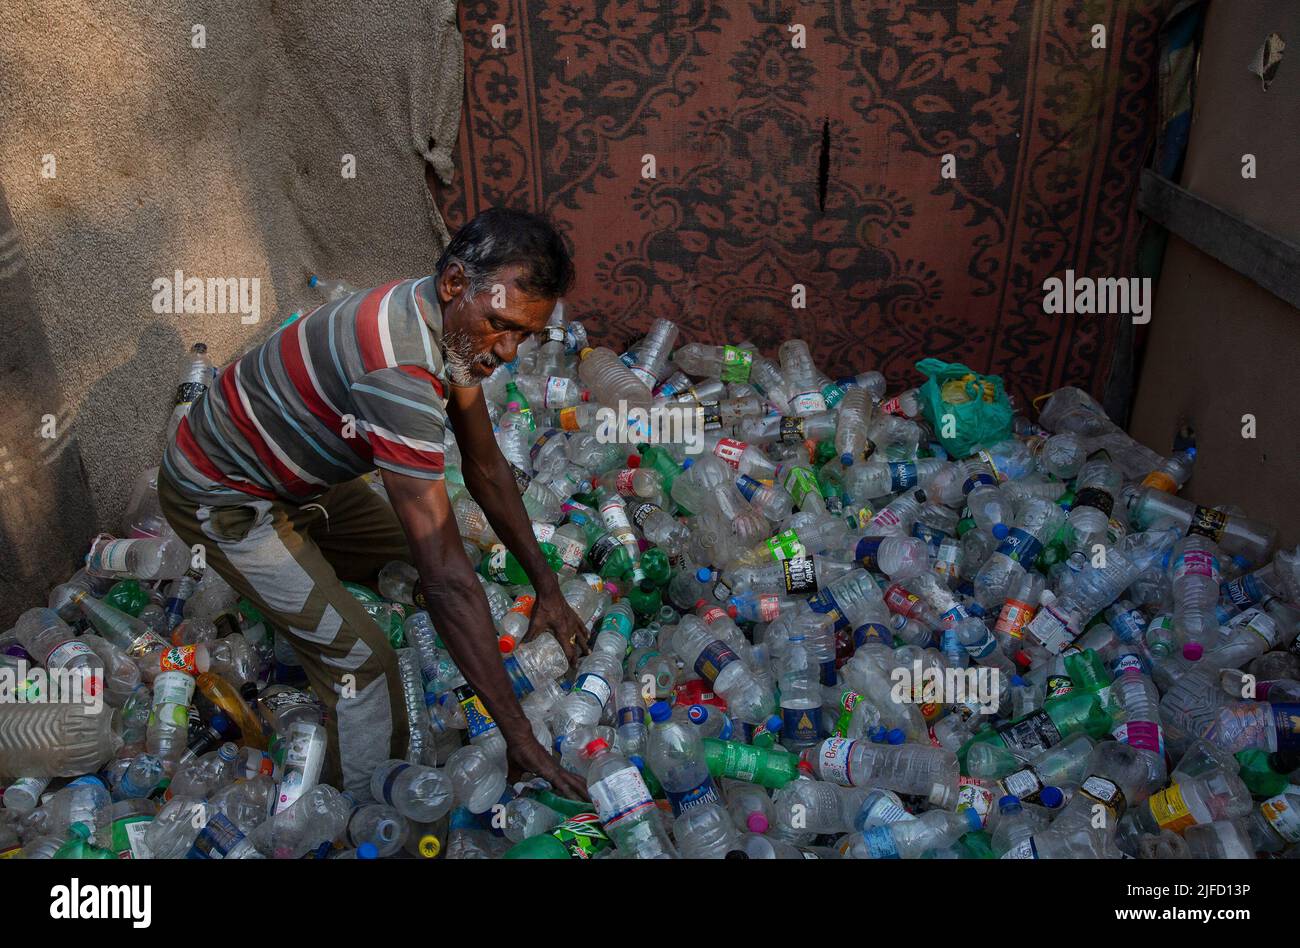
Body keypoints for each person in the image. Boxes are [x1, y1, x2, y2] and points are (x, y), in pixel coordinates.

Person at [158, 207, 591, 800]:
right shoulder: (400, 370)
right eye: (503, 325)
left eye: (527, 335)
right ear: (454, 283)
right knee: (366, 665)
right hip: (224, 493)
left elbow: (487, 467)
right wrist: (519, 737)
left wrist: (548, 588)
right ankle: (356, 811)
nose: (511, 351)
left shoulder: (452, 327)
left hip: (304, 477)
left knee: (418, 566)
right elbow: (447, 583)